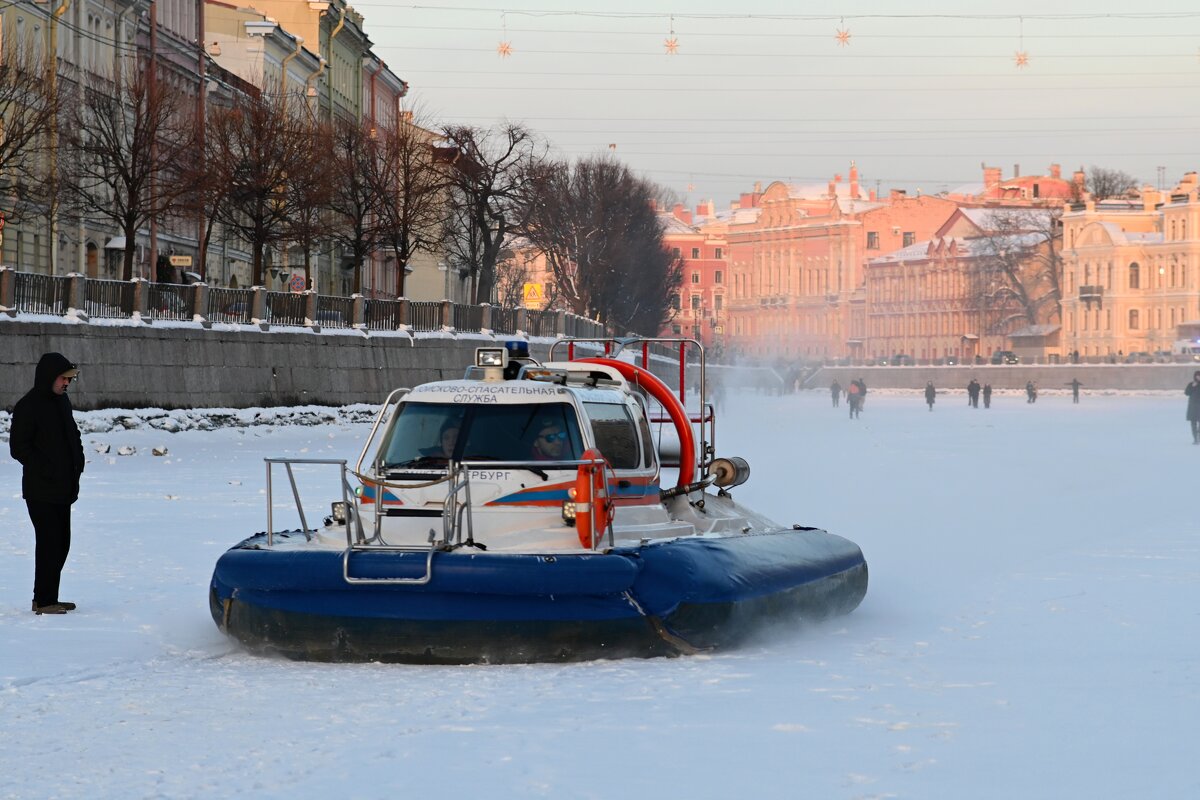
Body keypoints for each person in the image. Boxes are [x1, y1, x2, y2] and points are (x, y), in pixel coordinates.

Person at [9, 353, 85, 615]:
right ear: (49, 377)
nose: (66, 384)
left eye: (69, 379)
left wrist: (79, 459)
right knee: (49, 543)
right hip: (41, 490)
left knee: (62, 542)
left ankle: (48, 597)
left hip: (63, 488)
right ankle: (43, 601)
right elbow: (19, 448)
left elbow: (72, 433)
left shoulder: (61, 402)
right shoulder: (28, 406)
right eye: (63, 378)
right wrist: (47, 468)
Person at [1186, 371, 1200, 444]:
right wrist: (1192, 387)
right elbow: (1187, 393)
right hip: (1193, 407)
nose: (1198, 377)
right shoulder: (1191, 384)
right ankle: (1195, 438)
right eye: (1197, 376)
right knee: (1193, 424)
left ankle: (1198, 435)